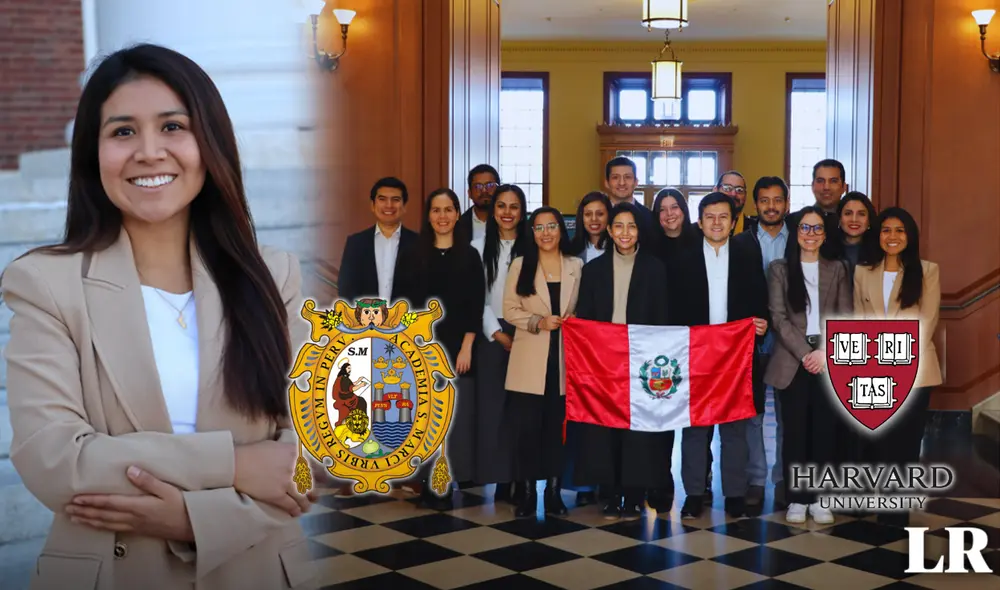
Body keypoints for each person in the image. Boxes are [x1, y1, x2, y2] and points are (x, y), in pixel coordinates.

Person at [1, 44, 318, 589]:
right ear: (93, 153)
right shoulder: (45, 283)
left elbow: (310, 451)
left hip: (258, 570)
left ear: (209, 143)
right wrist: (236, 465)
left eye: (173, 127)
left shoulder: (274, 277)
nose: (149, 152)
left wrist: (192, 520)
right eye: (123, 131)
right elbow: (54, 460)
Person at [574, 202, 675, 518]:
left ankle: (634, 494)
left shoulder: (655, 269)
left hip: (642, 363)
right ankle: (609, 492)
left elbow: (662, 318)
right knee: (606, 430)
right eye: (618, 226)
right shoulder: (593, 270)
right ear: (609, 230)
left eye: (631, 226)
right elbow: (585, 319)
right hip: (603, 362)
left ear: (639, 231)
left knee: (638, 432)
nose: (625, 232)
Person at [852, 207, 942, 528]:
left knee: (906, 441)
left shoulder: (927, 271)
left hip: (915, 371)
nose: (892, 237)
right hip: (872, 370)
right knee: (878, 437)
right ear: (878, 235)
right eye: (886, 230)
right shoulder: (862, 272)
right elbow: (858, 321)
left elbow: (927, 321)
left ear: (910, 235)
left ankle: (897, 510)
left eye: (900, 230)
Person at [764, 206, 852, 525]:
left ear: (825, 235)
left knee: (824, 432)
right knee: (795, 433)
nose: (810, 234)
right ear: (796, 232)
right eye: (805, 228)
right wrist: (806, 353)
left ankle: (821, 498)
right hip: (793, 360)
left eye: (817, 228)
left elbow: (844, 315)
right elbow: (778, 318)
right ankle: (797, 499)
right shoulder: (779, 269)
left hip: (828, 359)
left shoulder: (837, 268)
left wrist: (824, 352)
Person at [503, 207, 583, 518]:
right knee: (526, 432)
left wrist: (575, 319)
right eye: (539, 228)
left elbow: (584, 308)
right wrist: (538, 321)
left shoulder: (576, 265)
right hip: (529, 363)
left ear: (562, 230)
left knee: (556, 432)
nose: (546, 233)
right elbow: (509, 309)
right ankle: (526, 493)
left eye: (552, 226)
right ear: (532, 233)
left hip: (564, 362)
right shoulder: (520, 265)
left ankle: (553, 492)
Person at [414, 187, 486, 508]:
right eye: (436, 210)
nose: (442, 216)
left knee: (454, 419)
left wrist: (467, 346)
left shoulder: (469, 255)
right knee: (425, 418)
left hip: (459, 348)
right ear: (428, 216)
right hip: (421, 347)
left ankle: (448, 481)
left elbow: (475, 304)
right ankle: (428, 483)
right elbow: (404, 303)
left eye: (448, 210)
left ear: (457, 214)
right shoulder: (414, 255)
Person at [471, 184, 529, 504]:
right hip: (491, 335)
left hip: (528, 334)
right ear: (493, 211)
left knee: (522, 411)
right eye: (502, 206)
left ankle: (522, 478)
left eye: (514, 206)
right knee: (494, 412)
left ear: (522, 212)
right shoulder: (477, 247)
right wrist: (496, 333)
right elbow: (475, 297)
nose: (508, 212)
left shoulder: (532, 245)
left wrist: (523, 330)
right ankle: (501, 479)